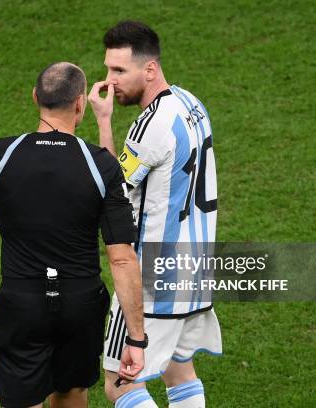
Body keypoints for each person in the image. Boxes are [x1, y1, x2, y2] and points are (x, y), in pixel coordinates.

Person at [0, 62, 146, 408]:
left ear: (35, 96)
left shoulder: (1, 155)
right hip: (80, 303)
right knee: (71, 393)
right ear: (80, 103)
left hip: (22, 303)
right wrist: (137, 339)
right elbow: (122, 256)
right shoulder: (100, 165)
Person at [88, 21, 222, 408]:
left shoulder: (151, 124)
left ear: (149, 70)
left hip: (152, 279)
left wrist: (102, 120)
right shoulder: (191, 103)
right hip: (196, 269)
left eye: (119, 71)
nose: (110, 81)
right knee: (179, 371)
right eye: (108, 69)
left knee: (121, 383)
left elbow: (111, 190)